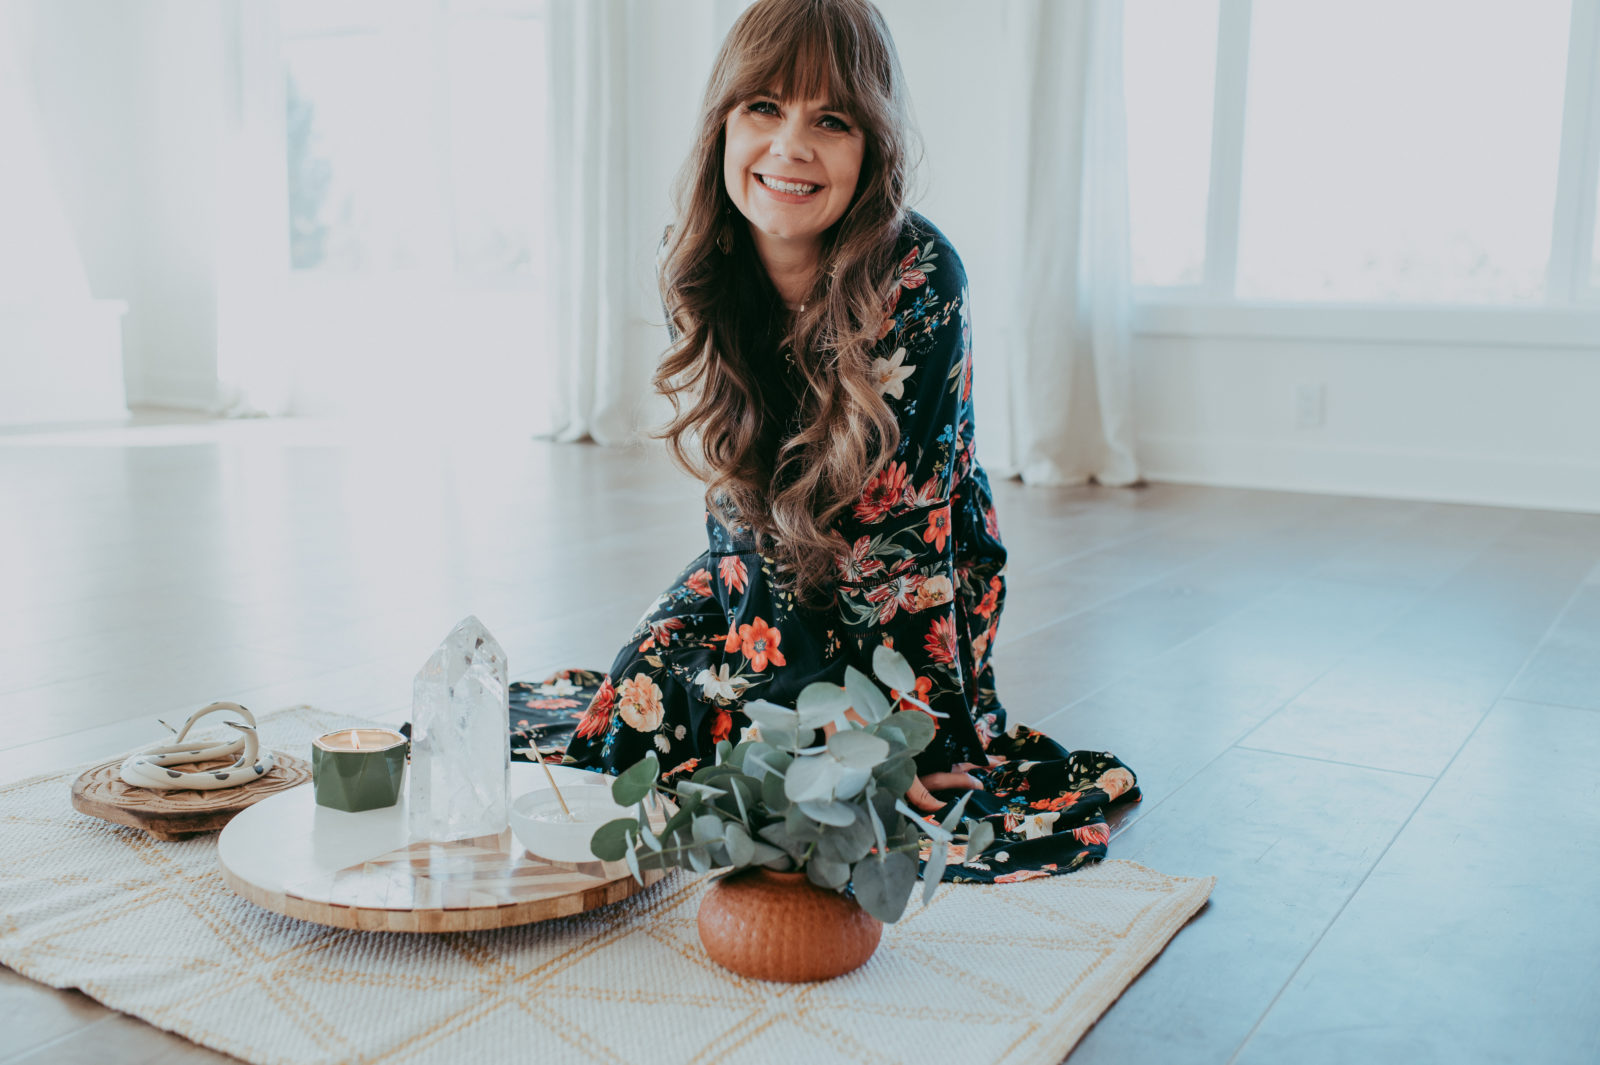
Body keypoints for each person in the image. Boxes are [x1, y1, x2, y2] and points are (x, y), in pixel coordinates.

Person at [522, 0, 1139, 882]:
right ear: (723, 127)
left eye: (832, 120)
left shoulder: (925, 278)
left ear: (871, 147)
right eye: (764, 108)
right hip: (762, 552)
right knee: (634, 712)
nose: (791, 146)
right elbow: (741, 504)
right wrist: (789, 693)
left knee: (877, 779)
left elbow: (909, 530)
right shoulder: (698, 259)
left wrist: (878, 723)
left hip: (901, 576)